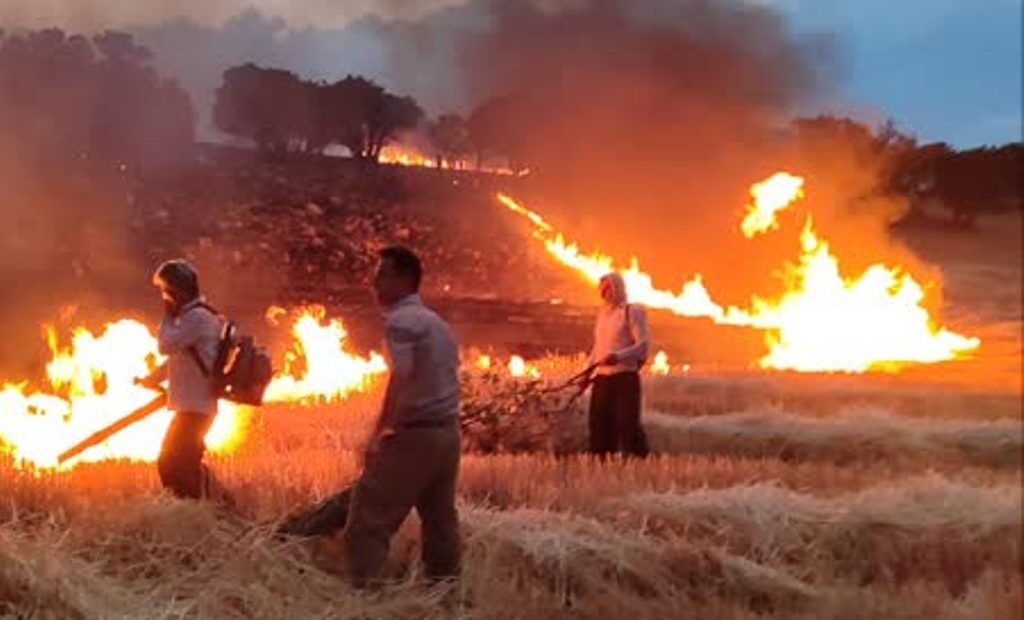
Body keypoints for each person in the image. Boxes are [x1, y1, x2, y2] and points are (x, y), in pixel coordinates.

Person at [340, 246, 462, 586]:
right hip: (448, 434)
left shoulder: (401, 320)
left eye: (382, 275)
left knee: (367, 521)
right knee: (440, 521)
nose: (373, 283)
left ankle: (365, 599)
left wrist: (380, 431)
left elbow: (402, 374)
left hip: (416, 436)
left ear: (404, 280)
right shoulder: (436, 323)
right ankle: (446, 595)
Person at [140, 259, 223, 499]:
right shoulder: (195, 318)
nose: (164, 296)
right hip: (192, 407)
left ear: (176, 290)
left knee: (171, 463)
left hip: (195, 407)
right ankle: (219, 506)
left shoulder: (197, 318)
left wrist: (167, 316)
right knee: (185, 464)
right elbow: (177, 357)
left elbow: (166, 346)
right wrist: (151, 379)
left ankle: (198, 508)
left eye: (165, 291)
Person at [586, 272, 651, 458]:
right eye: (602, 288)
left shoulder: (633, 312)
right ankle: (601, 467)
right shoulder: (603, 315)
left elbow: (643, 345)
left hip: (624, 378)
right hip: (602, 378)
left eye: (609, 288)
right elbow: (597, 348)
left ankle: (640, 464)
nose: (605, 292)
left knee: (627, 425)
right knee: (598, 426)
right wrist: (586, 373)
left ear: (619, 288)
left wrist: (618, 356)